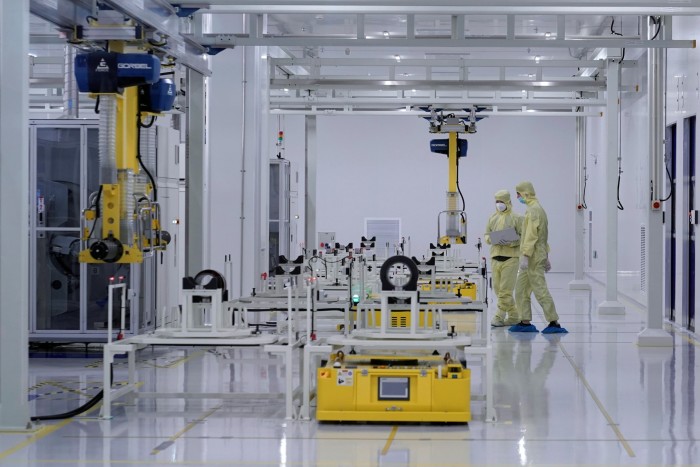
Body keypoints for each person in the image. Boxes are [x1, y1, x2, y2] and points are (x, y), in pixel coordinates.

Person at [509, 181, 568, 334]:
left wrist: (526, 256)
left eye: (518, 194)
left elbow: (532, 236)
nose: (517, 197)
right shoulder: (534, 209)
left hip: (533, 257)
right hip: (532, 255)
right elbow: (544, 235)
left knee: (540, 290)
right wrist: (546, 255)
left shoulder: (534, 210)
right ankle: (525, 321)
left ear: (525, 193)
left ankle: (553, 322)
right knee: (521, 289)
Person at [485, 190, 523, 327]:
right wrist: (491, 239)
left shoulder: (517, 218)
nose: (498, 204)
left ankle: (499, 316)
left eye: (501, 201)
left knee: (505, 291)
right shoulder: (492, 218)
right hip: (495, 258)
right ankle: (513, 316)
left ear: (507, 201)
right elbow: (486, 235)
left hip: (511, 258)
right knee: (498, 290)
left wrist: (511, 241)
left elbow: (523, 237)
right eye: (497, 201)